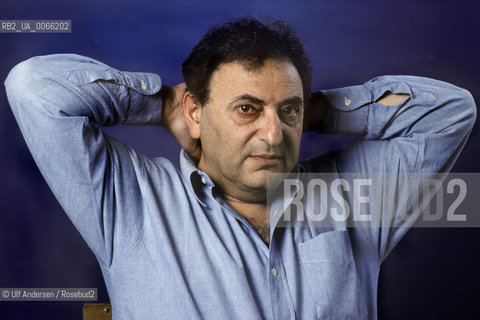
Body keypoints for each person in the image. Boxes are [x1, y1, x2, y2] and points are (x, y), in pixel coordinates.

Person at [4, 17, 475, 319]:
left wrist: (313, 111)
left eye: (287, 112)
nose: (273, 136)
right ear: (196, 112)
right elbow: (34, 87)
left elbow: (452, 112)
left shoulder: (351, 197)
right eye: (246, 109)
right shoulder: (132, 202)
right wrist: (163, 103)